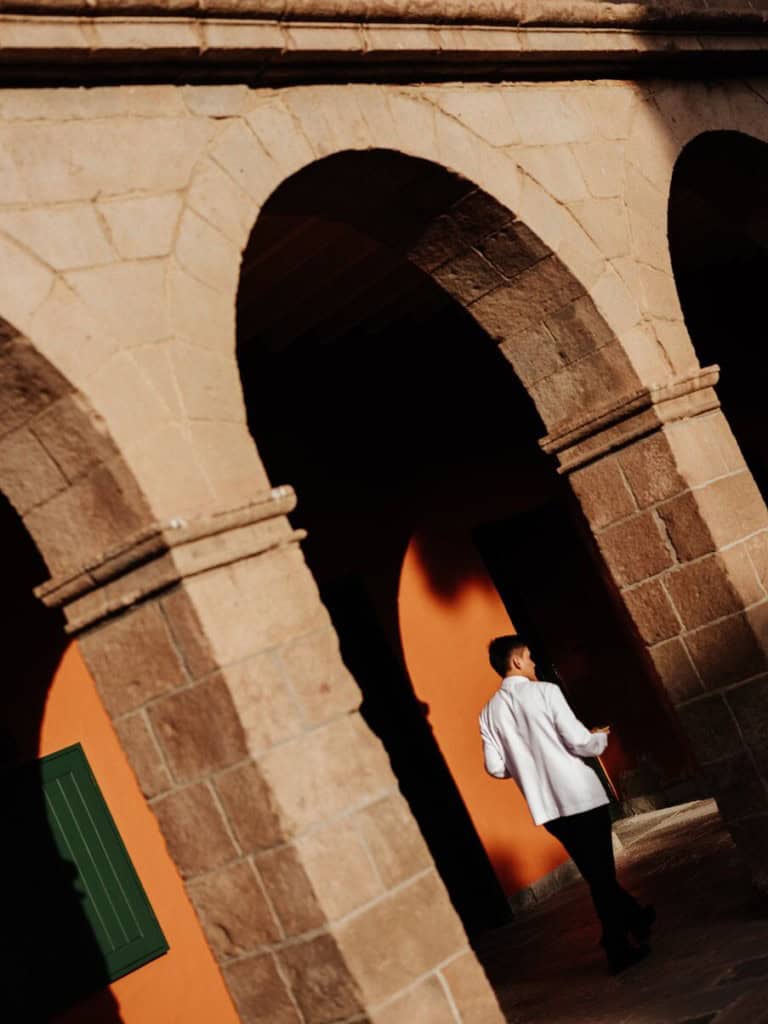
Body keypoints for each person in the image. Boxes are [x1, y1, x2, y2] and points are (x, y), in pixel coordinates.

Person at [479, 634, 655, 973]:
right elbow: (579, 743)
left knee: (596, 873)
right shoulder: (545, 691)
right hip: (580, 797)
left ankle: (635, 916)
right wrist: (600, 737)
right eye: (529, 657)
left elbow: (494, 767)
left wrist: (524, 766)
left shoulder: (489, 714)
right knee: (601, 875)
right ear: (516, 661)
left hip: (548, 808)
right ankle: (615, 946)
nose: (534, 663)